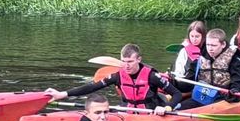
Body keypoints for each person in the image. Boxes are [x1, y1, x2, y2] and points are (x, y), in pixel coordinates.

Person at [46, 44, 179, 111]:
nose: (126, 66)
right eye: (123, 61)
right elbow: (92, 86)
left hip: (151, 114)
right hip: (126, 112)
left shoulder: (152, 76)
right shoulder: (117, 76)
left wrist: (167, 108)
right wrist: (62, 94)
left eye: (130, 62)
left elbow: (177, 94)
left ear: (139, 59)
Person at [178, 28, 240, 109]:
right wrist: (172, 82)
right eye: (208, 45)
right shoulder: (201, 58)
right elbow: (188, 81)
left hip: (223, 98)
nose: (210, 49)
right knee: (179, 107)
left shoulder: (234, 58)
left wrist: (235, 90)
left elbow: (239, 80)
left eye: (214, 45)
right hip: (201, 96)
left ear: (223, 44)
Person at [172, 20, 207, 95]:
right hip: (187, 82)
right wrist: (177, 78)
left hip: (203, 83)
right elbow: (179, 69)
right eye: (192, 36)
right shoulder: (184, 50)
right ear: (189, 35)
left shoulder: (209, 49)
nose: (194, 39)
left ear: (203, 36)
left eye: (197, 36)